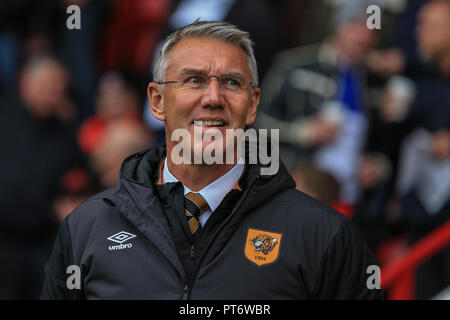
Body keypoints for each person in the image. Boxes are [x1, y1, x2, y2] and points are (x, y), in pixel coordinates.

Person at [41, 20, 383, 300]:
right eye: (194, 80)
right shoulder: (86, 227)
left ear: (252, 105)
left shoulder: (323, 235)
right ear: (157, 101)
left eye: (232, 83)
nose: (214, 97)